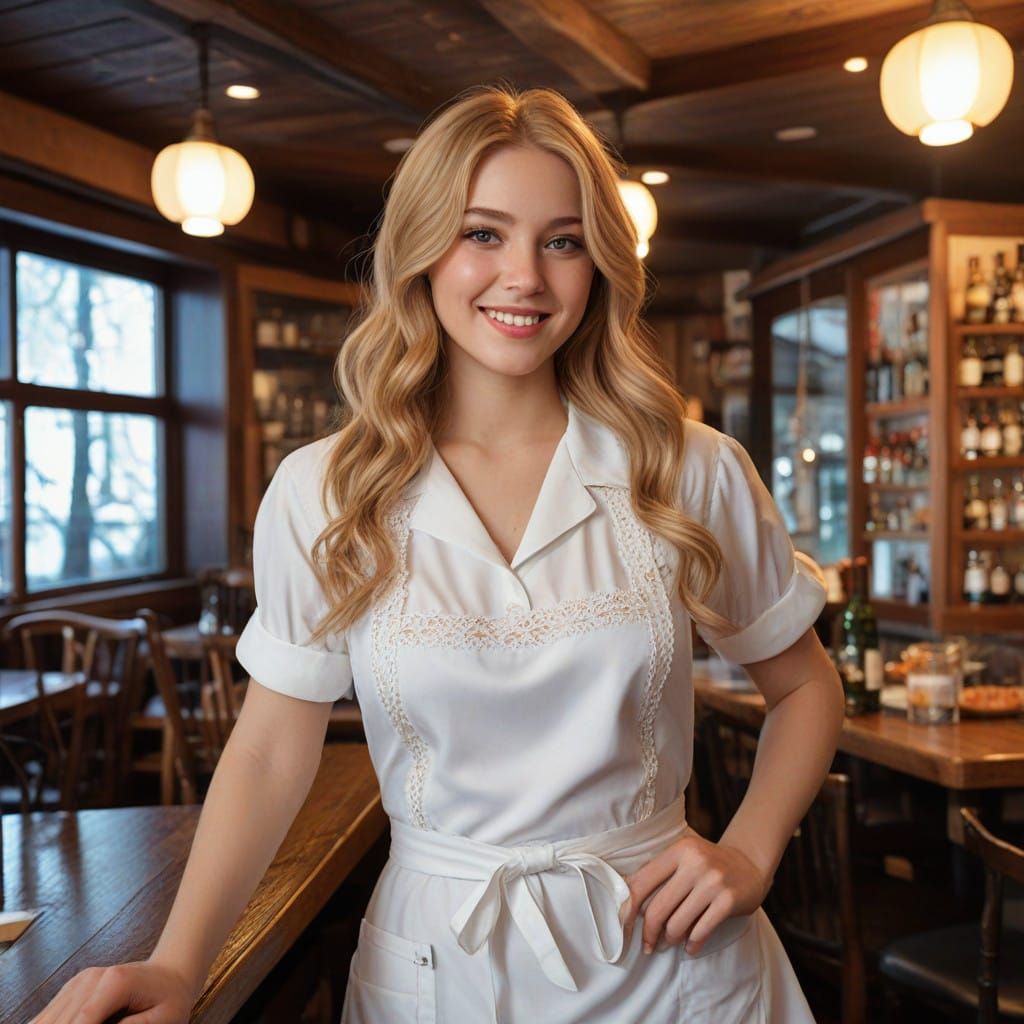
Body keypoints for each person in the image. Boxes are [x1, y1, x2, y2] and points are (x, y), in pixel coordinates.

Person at [32, 84, 844, 1024]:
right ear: (421, 249)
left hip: (674, 960)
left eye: (563, 240)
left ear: (600, 264)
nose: (525, 278)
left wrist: (749, 848)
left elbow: (805, 687)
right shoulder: (325, 490)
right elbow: (265, 753)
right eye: (482, 233)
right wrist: (178, 967)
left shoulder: (686, 467)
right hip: (438, 968)